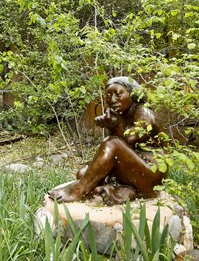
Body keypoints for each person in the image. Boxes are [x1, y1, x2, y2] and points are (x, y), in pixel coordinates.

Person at [48, 77, 166, 205]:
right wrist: (113, 125)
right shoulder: (121, 113)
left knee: (111, 143)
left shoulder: (144, 114)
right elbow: (122, 150)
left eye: (118, 94)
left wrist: (115, 126)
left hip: (151, 176)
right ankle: (124, 190)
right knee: (82, 174)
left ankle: (77, 191)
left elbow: (125, 141)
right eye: (109, 96)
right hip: (135, 171)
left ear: (132, 94)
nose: (113, 100)